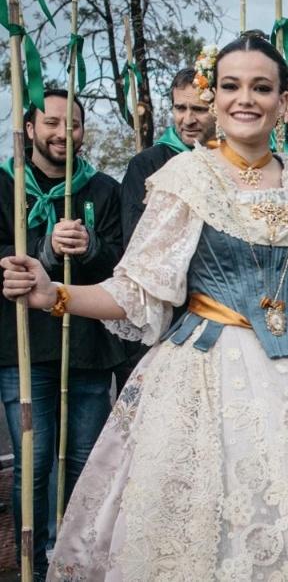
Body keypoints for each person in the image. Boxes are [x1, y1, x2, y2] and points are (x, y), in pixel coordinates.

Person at [1, 32, 288, 581]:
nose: (246, 99)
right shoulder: (186, 178)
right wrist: (56, 295)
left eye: (261, 87)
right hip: (207, 373)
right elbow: (139, 289)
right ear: (215, 98)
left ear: (282, 101)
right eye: (232, 85)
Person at [0, 89, 126, 576]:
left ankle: (72, 562)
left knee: (84, 462)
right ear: (29, 129)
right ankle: (29, 564)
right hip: (24, 348)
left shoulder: (103, 190)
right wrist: (44, 252)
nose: (61, 134)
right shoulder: (5, 186)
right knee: (32, 464)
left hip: (89, 349)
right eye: (50, 123)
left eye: (71, 125)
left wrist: (91, 245)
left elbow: (125, 260)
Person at [121, 66, 217, 242]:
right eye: (180, 108)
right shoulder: (145, 165)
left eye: (200, 109)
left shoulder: (234, 160)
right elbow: (134, 239)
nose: (188, 120)